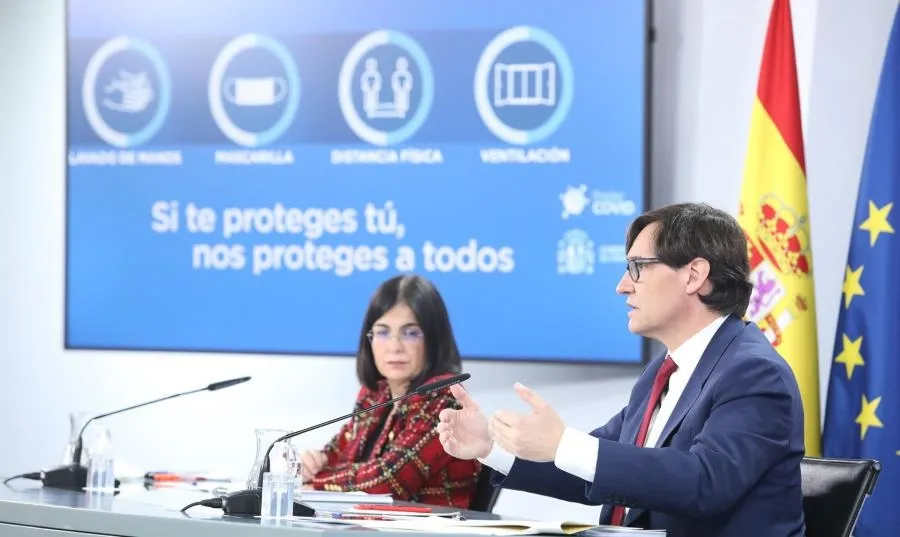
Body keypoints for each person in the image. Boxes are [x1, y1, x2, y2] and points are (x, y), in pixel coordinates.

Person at [437, 203, 806, 536]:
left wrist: (564, 442)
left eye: (637, 268)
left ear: (693, 275)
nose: (622, 286)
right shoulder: (662, 372)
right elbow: (594, 469)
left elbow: (704, 483)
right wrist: (490, 446)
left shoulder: (754, 373)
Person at [299, 274, 481, 508]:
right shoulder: (376, 394)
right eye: (383, 332)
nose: (394, 346)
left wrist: (317, 483)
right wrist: (311, 463)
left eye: (410, 333)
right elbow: (336, 454)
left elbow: (387, 481)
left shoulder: (444, 397)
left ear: (434, 339)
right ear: (370, 339)